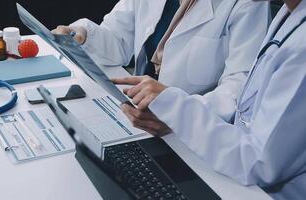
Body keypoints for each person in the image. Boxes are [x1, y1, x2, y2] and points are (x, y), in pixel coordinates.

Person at [113, 0, 306, 199]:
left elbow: (260, 164)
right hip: (225, 160)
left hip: (261, 188)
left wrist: (174, 110)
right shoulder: (290, 12)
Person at [52, 1, 269, 132]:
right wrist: (83, 34)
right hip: (133, 113)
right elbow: (118, 43)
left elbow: (241, 88)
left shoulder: (248, 4)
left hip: (192, 133)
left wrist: (179, 113)